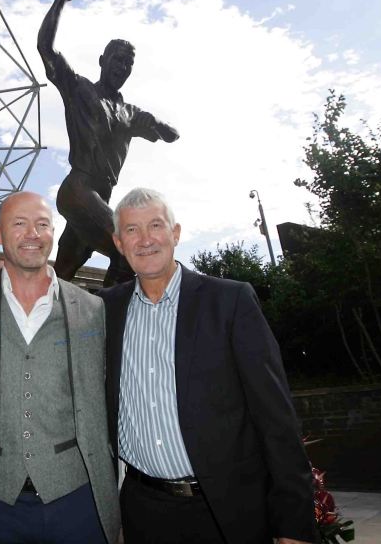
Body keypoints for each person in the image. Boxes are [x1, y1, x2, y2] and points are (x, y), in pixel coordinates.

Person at [100, 187, 317, 544]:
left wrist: (294, 523)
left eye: (155, 225)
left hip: (228, 512)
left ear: (176, 233)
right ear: (119, 243)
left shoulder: (230, 302)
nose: (145, 239)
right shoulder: (104, 310)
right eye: (131, 230)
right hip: (143, 512)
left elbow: (276, 417)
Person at [0, 191, 121, 543]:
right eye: (19, 223)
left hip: (78, 499)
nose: (32, 233)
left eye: (42, 224)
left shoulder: (92, 309)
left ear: (53, 232)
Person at [38, 0, 179, 287]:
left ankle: (49, 317)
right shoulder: (81, 90)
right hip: (78, 191)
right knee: (128, 249)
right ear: (103, 60)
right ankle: (111, 315)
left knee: (58, 277)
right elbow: (45, 47)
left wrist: (155, 125)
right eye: (117, 60)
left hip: (99, 199)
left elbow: (170, 133)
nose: (122, 67)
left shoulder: (130, 113)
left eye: (128, 64)